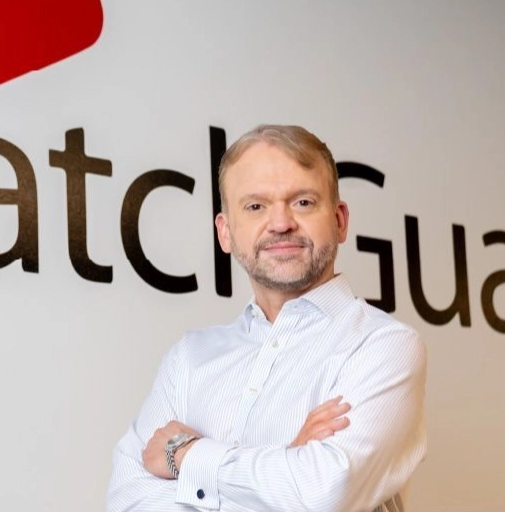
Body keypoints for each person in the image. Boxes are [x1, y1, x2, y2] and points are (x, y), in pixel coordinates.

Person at [106, 124, 426, 512]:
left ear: (340, 220)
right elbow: (127, 502)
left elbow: (323, 494)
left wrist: (186, 455)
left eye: (303, 202)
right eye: (255, 206)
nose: (280, 223)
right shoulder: (188, 359)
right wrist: (286, 464)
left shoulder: (382, 345)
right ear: (225, 232)